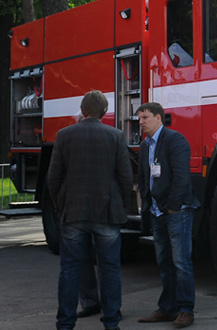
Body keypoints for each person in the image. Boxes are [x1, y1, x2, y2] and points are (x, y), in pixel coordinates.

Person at [47, 90, 132, 330]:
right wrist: (119, 204)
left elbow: (53, 178)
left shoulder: (64, 136)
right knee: (110, 269)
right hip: (106, 212)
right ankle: (111, 321)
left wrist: (60, 205)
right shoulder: (116, 136)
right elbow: (125, 178)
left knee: (70, 270)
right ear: (105, 112)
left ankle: (65, 323)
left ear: (83, 110)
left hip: (73, 212)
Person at [136, 102, 200, 328]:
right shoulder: (145, 146)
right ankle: (167, 308)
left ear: (158, 118)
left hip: (176, 213)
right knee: (164, 262)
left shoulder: (175, 140)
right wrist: (147, 201)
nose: (141, 122)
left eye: (145, 117)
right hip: (156, 212)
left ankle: (185, 310)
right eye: (140, 118)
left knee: (181, 262)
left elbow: (182, 177)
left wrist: (172, 206)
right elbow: (143, 177)